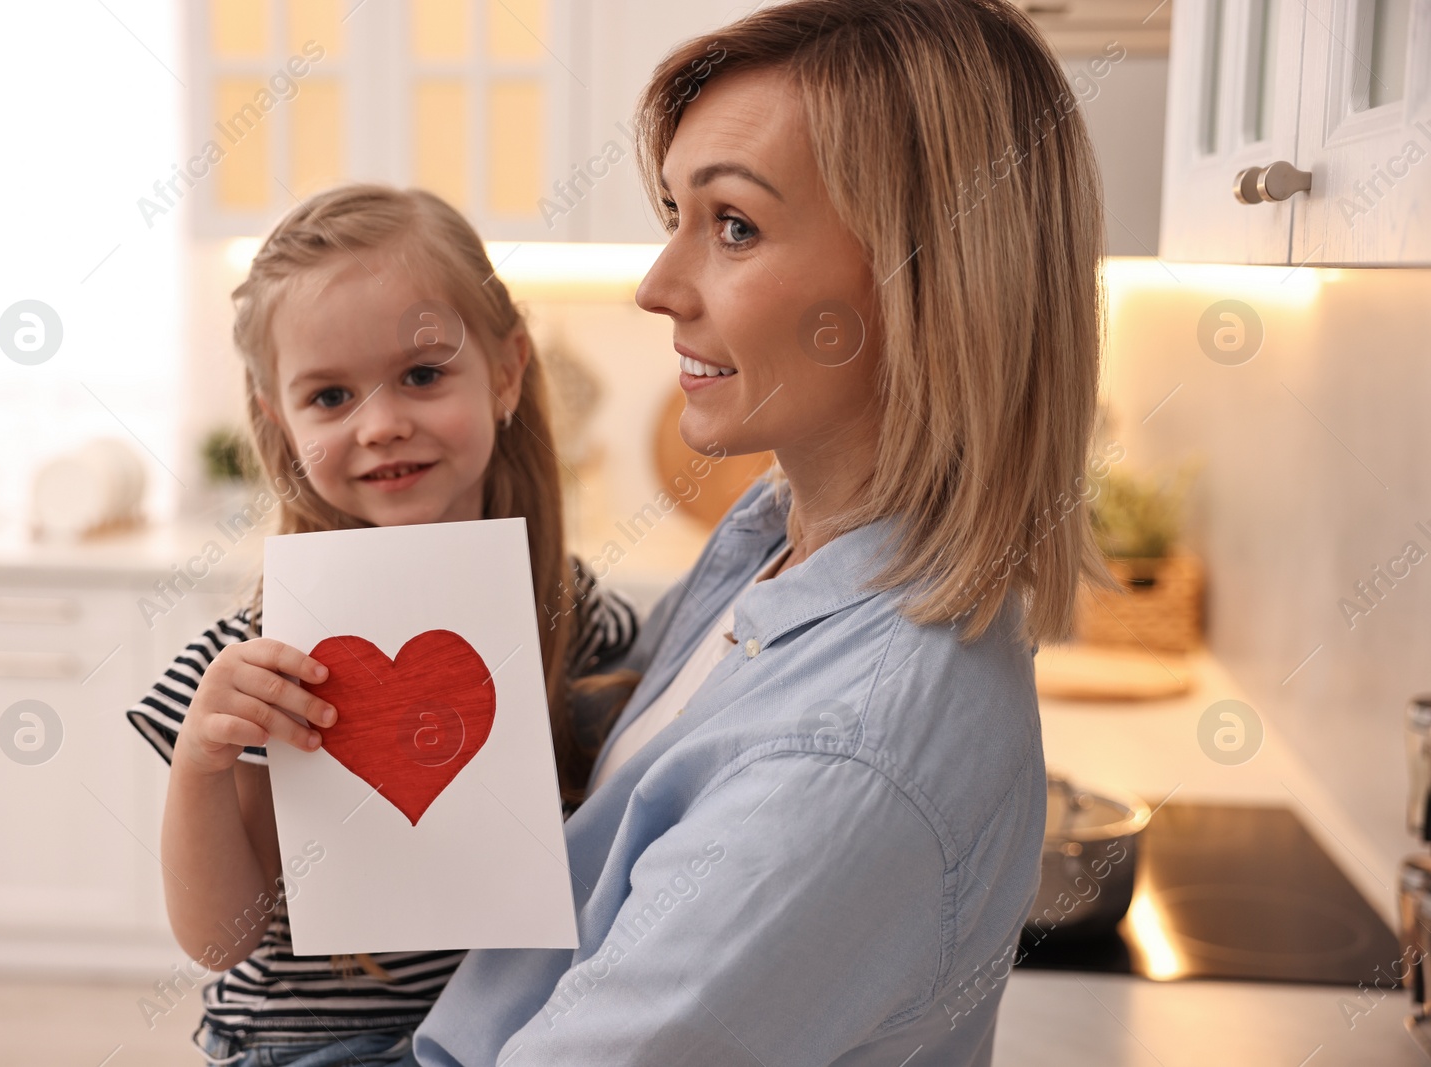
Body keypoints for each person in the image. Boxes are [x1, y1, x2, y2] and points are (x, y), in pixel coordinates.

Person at [409, 1, 1112, 1063]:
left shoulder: (847, 760)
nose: (657, 286)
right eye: (673, 216)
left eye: (732, 224)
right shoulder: (780, 532)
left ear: (928, 277)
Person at [124, 183, 640, 1067]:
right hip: (317, 1047)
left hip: (521, 1037)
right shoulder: (255, 661)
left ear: (509, 369)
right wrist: (202, 761)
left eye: (423, 374)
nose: (384, 423)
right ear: (275, 422)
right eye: (330, 396)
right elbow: (218, 939)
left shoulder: (576, 614)